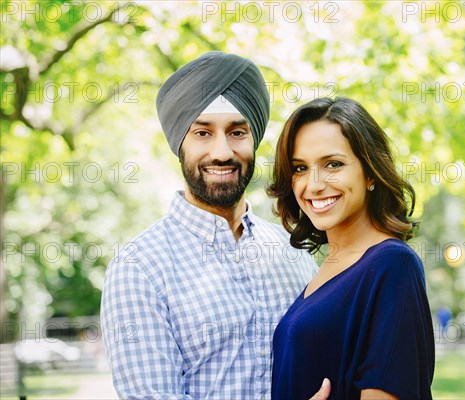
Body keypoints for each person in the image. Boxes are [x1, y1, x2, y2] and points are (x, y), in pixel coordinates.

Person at [100, 52, 330, 399]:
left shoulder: (293, 253)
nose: (222, 151)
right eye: (203, 133)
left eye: (237, 132)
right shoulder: (138, 268)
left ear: (254, 140)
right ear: (180, 143)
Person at [268, 97, 435, 399]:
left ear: (370, 171)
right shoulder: (326, 269)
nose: (314, 184)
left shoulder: (392, 266)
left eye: (333, 164)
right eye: (300, 168)